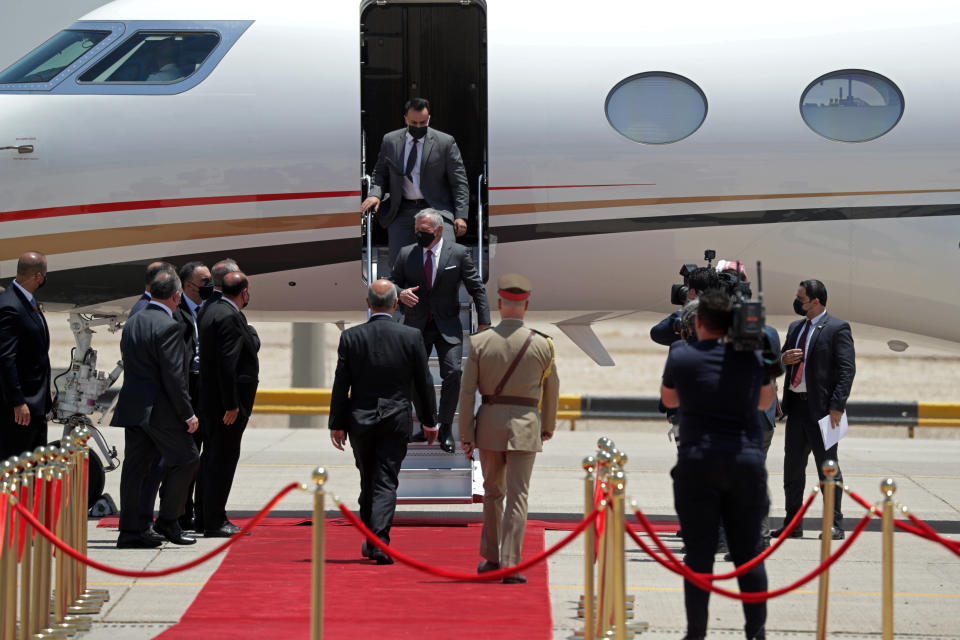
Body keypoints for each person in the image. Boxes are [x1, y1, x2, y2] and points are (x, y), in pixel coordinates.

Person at [660, 289, 776, 640]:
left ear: (697, 322)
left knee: (699, 556)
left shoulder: (681, 355)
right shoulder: (752, 357)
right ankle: (756, 633)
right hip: (745, 461)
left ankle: (696, 633)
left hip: (698, 462)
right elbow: (765, 401)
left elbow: (668, 398)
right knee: (748, 556)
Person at [459, 274, 559, 584]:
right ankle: (512, 563)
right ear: (526, 305)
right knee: (518, 496)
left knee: (492, 493)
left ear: (500, 304)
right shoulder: (543, 344)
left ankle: (491, 559)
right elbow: (552, 388)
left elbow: (467, 392)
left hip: (489, 424)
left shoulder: (480, 342)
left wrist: (466, 434)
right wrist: (548, 424)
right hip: (527, 424)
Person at [329, 279, 436, 564]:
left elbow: (342, 385)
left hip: (360, 421)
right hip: (395, 418)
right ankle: (378, 541)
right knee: (385, 481)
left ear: (368, 304)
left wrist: (336, 423)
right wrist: (430, 421)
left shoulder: (350, 337)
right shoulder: (411, 336)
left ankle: (373, 538)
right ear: (395, 303)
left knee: (368, 480)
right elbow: (423, 384)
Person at [112, 270, 200, 548]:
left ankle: (130, 531)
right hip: (159, 411)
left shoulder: (134, 320)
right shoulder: (169, 325)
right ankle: (168, 520)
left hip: (133, 407)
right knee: (188, 459)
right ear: (176, 295)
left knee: (135, 471)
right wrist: (187, 412)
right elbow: (174, 376)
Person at [390, 209, 490, 452]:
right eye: (416, 232)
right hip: (416, 326)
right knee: (414, 376)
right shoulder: (407, 254)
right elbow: (392, 282)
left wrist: (485, 323)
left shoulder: (458, 253)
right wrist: (399, 293)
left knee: (453, 372)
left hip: (447, 325)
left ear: (438, 230)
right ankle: (426, 423)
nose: (419, 236)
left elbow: (476, 288)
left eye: (424, 232)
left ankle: (445, 427)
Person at [772, 279, 855, 541]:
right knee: (792, 469)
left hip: (823, 412)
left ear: (815, 301)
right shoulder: (796, 327)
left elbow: (846, 371)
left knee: (828, 468)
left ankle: (834, 524)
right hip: (796, 408)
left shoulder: (837, 328)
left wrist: (837, 406)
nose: (798, 302)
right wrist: (783, 359)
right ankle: (792, 523)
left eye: (801, 298)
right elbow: (783, 358)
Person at [361, 97, 470, 266]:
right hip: (402, 209)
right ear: (405, 119)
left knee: (446, 262)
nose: (418, 127)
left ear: (429, 119)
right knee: (399, 263)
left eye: (423, 122)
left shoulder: (445, 142)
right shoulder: (390, 141)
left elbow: (459, 182)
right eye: (414, 122)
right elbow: (380, 173)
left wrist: (461, 216)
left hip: (437, 208)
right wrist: (375, 194)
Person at [197, 271, 260, 537]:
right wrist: (232, 404)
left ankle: (203, 516)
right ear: (244, 292)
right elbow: (228, 364)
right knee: (222, 461)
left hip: (209, 401)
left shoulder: (209, 310)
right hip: (226, 407)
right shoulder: (230, 316)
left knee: (211, 459)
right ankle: (215, 520)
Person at [0, 251, 52, 461]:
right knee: (18, 467)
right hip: (21, 409)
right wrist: (17, 402)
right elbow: (6, 358)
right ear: (38, 276)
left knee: (34, 467)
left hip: (36, 403)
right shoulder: (10, 305)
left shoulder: (26, 300)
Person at [175, 261, 211, 531]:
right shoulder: (176, 312)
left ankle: (195, 510)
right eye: (204, 281)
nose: (210, 285)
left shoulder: (210, 308)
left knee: (199, 455)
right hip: (186, 390)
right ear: (188, 285)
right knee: (184, 455)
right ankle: (180, 512)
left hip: (204, 389)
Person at [650, 266, 720, 346]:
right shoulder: (726, 314)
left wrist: (687, 310)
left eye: (687, 289)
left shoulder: (685, 318)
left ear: (692, 292)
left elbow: (657, 333)